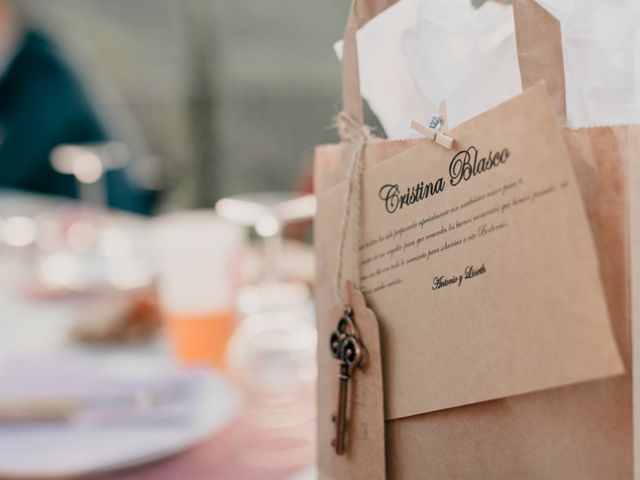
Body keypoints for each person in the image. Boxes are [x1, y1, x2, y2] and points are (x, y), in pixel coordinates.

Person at [0, 0, 155, 214]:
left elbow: (17, 159)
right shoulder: (18, 65)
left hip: (102, 211)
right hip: (53, 211)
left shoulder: (43, 67)